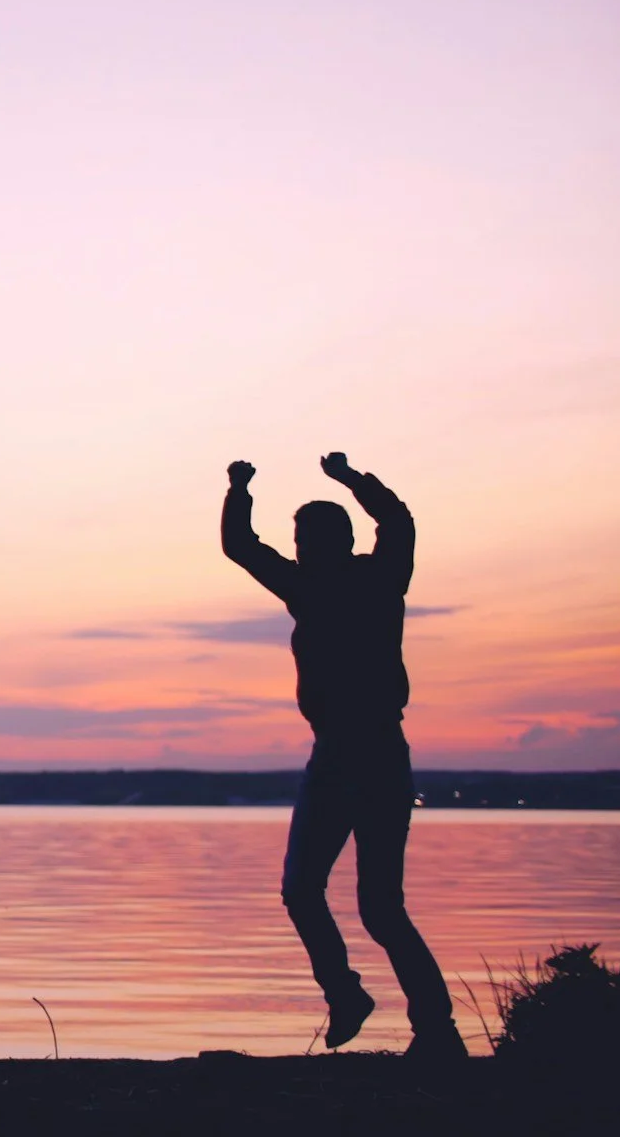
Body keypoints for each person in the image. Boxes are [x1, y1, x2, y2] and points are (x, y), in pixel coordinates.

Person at [222, 453, 464, 1060]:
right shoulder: (320, 584)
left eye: (308, 539)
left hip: (374, 755)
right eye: (298, 539)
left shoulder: (371, 581)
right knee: (308, 891)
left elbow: (397, 522)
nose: (300, 548)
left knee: (376, 906)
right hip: (335, 758)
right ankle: (351, 997)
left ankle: (434, 1029)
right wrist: (241, 491)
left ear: (339, 542)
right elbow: (243, 547)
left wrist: (349, 482)